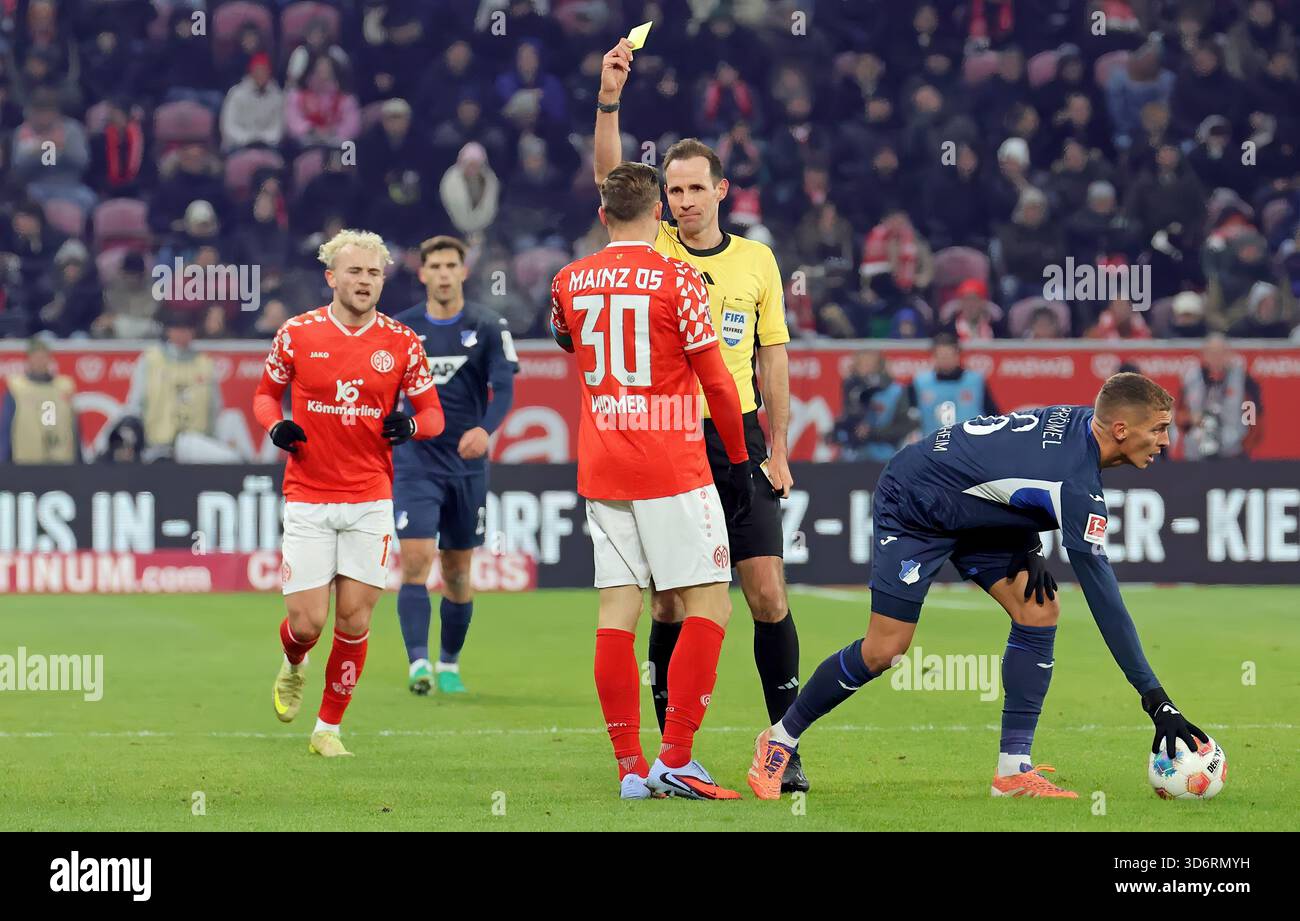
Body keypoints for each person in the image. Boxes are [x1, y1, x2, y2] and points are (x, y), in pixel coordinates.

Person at [748, 373, 1209, 799]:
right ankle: (780, 739)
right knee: (885, 648)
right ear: (1123, 429)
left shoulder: (1083, 425)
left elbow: (1007, 460)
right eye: (1159, 429)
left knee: (1038, 609)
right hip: (916, 498)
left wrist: (1029, 546)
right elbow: (1104, 600)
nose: (1166, 441)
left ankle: (1012, 770)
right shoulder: (1077, 484)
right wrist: (1155, 699)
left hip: (975, 508)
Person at [594, 39, 809, 793]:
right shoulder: (649, 245)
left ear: (721, 190)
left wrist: (776, 447)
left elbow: (772, 358)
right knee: (671, 600)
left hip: (738, 438)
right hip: (669, 439)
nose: (681, 201)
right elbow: (609, 178)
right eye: (672, 191)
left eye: (693, 189)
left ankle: (783, 742)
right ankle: (667, 748)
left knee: (766, 594)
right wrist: (611, 96)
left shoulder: (757, 261)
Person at [550, 162, 755, 800]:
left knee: (617, 612)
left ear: (603, 215)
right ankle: (678, 757)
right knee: (711, 604)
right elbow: (718, 382)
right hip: (672, 465)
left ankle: (630, 768)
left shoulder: (568, 280)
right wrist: (742, 458)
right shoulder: (680, 279)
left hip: (603, 468)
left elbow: (570, 343)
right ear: (660, 214)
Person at [254, 229, 445, 758]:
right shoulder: (296, 334)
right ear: (331, 277)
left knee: (356, 618)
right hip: (309, 496)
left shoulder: (402, 342)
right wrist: (277, 428)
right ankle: (294, 664)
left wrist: (411, 427)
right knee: (307, 622)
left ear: (383, 281)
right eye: (355, 272)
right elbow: (266, 396)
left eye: (374, 273)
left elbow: (432, 414)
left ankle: (327, 729)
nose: (364, 281)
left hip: (369, 497)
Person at [391, 235, 518, 695]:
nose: (443, 273)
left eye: (451, 265)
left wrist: (485, 429)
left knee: (458, 572)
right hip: (416, 463)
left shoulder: (487, 326)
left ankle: (448, 663)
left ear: (463, 272)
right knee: (415, 560)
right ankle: (417, 664)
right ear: (422, 273)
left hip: (465, 467)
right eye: (435, 266)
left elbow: (503, 389)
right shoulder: (401, 331)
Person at [1176, 333, 1263, 459]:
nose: (1216, 358)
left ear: (1229, 354)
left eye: (1220, 353)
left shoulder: (1242, 380)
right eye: (1211, 353)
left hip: (1234, 454)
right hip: (1196, 456)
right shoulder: (1191, 379)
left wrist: (1245, 449)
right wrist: (1191, 418)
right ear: (1204, 355)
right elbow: (1178, 415)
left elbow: (1256, 420)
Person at [0, 338, 81, 464]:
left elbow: (74, 425)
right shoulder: (17, 387)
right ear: (28, 359)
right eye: (35, 357)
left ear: (50, 359)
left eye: (43, 357)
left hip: (61, 461)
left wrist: (79, 460)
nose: (39, 361)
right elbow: (6, 427)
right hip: (26, 461)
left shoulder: (64, 386)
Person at [910, 332, 999, 435]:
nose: (945, 360)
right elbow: (910, 418)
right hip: (932, 445)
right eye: (941, 356)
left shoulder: (975, 382)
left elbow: (993, 416)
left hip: (970, 445)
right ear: (933, 357)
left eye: (948, 355)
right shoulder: (920, 383)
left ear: (957, 356)